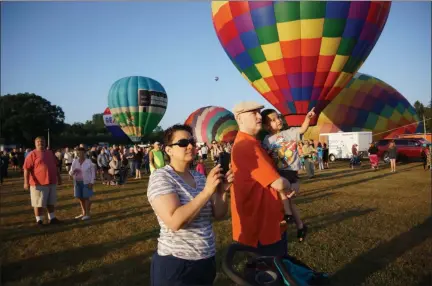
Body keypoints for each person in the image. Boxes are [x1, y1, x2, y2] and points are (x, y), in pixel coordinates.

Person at [147, 124, 233, 286]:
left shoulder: (199, 177)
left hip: (206, 260)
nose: (191, 146)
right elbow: (174, 221)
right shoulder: (161, 177)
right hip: (177, 263)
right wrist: (207, 192)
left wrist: (221, 192)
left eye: (192, 141)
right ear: (168, 150)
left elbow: (220, 214)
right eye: (183, 143)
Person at [230, 101, 298, 256]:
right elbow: (278, 183)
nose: (259, 116)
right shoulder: (247, 145)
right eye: (253, 113)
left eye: (259, 112)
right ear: (240, 119)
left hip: (267, 222)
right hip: (262, 227)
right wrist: (292, 183)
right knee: (270, 273)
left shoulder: (253, 143)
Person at [261, 108, 315, 243]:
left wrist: (308, 118)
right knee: (288, 198)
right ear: (267, 126)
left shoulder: (289, 133)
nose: (278, 120)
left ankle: (288, 214)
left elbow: (302, 129)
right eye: (273, 120)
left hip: (290, 170)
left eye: (278, 117)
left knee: (282, 190)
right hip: (279, 170)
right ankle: (300, 225)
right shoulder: (267, 140)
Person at [23, 136, 62, 225]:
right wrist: (26, 182)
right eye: (39, 142)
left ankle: (52, 218)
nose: (41, 143)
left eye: (42, 141)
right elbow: (26, 169)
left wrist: (59, 177)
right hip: (38, 183)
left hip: (51, 181)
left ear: (45, 143)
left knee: (50, 201)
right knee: (38, 202)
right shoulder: (32, 154)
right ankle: (39, 220)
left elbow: (55, 166)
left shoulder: (50, 153)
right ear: (35, 143)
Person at [69, 147, 95, 220]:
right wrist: (73, 172)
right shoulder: (75, 161)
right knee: (80, 198)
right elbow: (70, 172)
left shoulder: (89, 161)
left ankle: (87, 214)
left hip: (86, 182)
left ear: (84, 153)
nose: (79, 154)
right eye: (77, 153)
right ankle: (83, 213)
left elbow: (93, 173)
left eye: (81, 152)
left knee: (86, 198)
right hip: (77, 182)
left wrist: (91, 182)